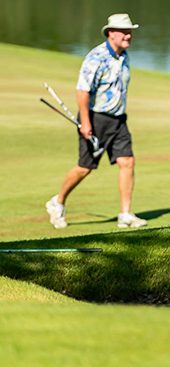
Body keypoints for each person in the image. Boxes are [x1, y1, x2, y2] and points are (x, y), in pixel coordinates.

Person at [45, 13, 148, 229]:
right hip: (95, 118)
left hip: (119, 119)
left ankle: (125, 214)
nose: (129, 36)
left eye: (130, 32)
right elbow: (83, 90)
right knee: (85, 167)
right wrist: (86, 123)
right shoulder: (96, 57)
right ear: (111, 33)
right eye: (125, 32)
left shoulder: (124, 56)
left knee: (127, 161)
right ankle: (58, 202)